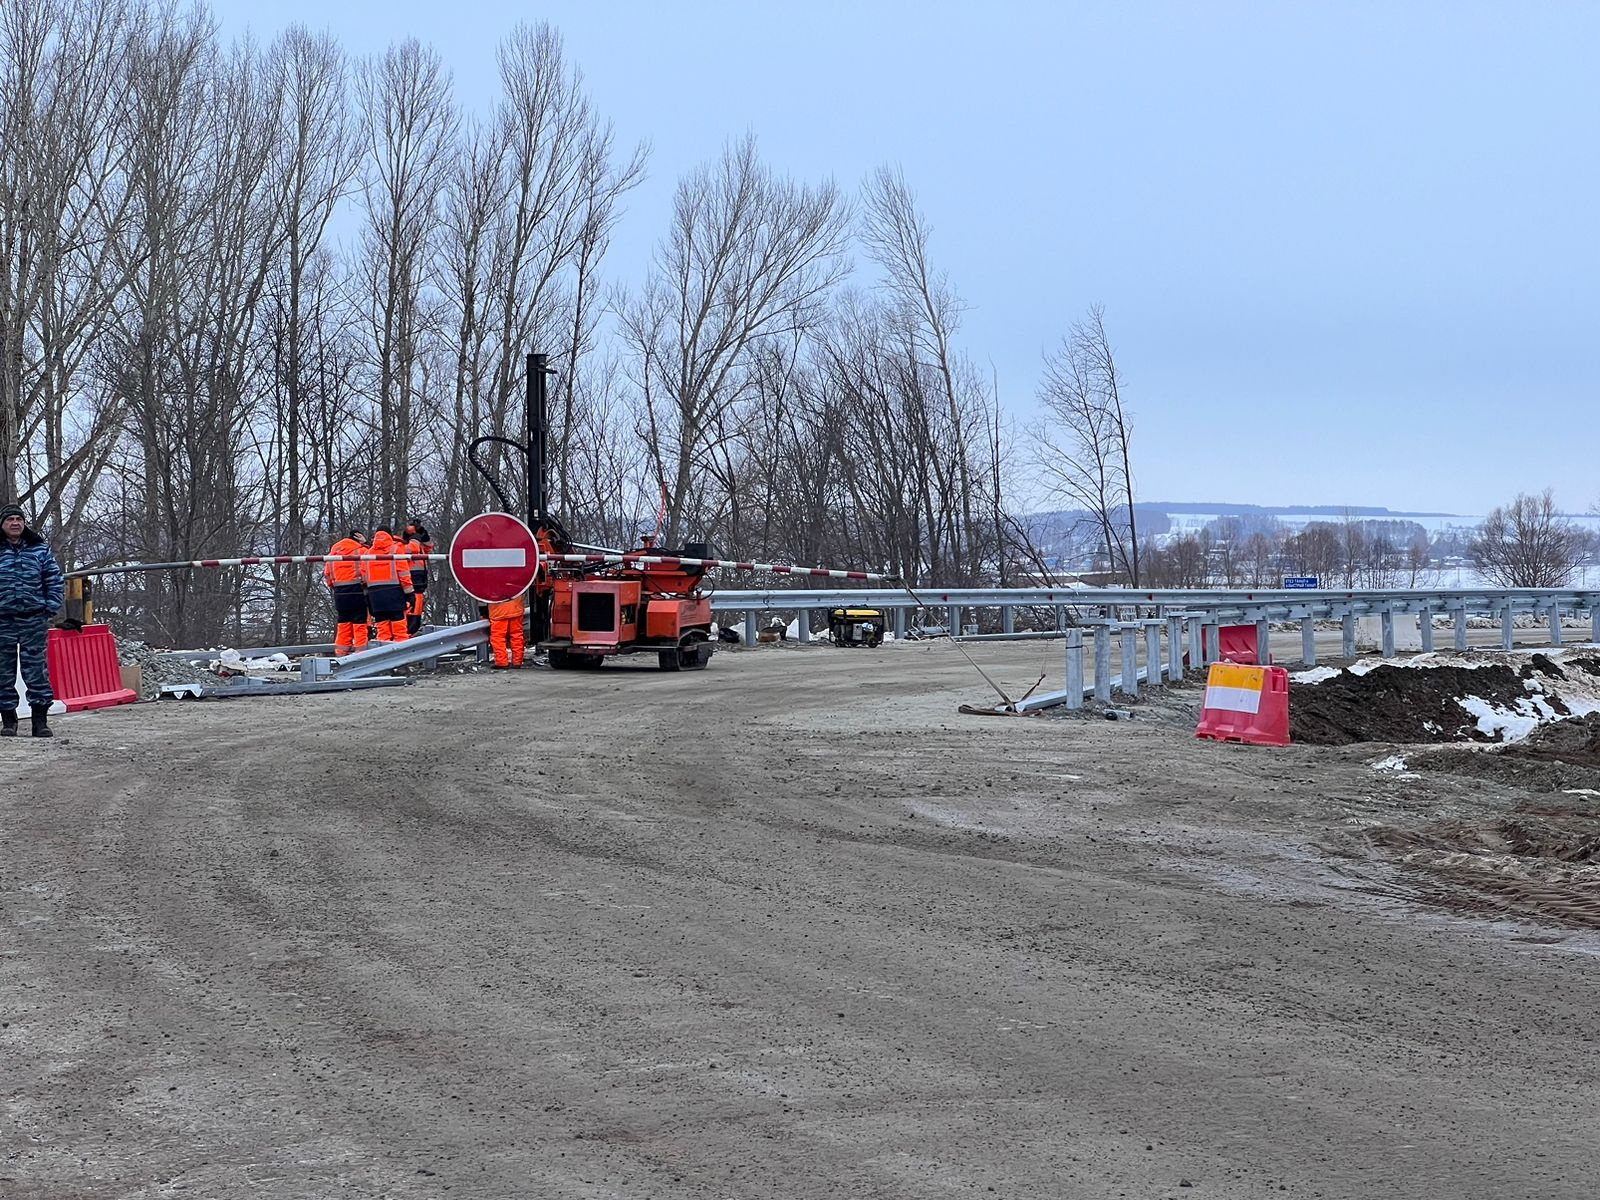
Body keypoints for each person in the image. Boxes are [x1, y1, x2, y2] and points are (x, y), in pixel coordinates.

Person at [0, 503, 66, 738]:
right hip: (3, 621)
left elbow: (54, 579)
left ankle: (40, 722)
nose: (15, 523)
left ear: (24, 523)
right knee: (3, 672)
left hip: (33, 620)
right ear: (3, 524)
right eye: (10, 520)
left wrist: (50, 607)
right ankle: (9, 721)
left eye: (19, 519)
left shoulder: (39, 549)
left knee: (36, 670)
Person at [323, 528, 369, 656]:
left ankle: (340, 652)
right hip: (357, 590)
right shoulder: (362, 551)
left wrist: (335, 586)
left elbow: (327, 575)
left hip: (339, 592)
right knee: (359, 623)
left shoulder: (333, 554)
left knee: (343, 623)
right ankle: (362, 654)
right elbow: (367, 572)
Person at [363, 525, 411, 642]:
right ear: (390, 536)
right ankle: (402, 657)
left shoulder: (368, 553)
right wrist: (410, 593)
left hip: (375, 596)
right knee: (399, 631)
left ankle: (383, 657)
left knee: (382, 631)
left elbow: (364, 577)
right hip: (394, 594)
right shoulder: (396, 550)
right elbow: (404, 574)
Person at [402, 519, 433, 635]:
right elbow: (412, 549)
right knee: (410, 617)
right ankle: (407, 636)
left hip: (419, 585)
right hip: (411, 585)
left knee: (415, 618)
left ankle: (409, 634)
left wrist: (424, 536)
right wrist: (415, 537)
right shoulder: (402, 546)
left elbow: (429, 547)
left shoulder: (418, 545)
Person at [488, 588, 527, 669]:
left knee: (498, 637)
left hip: (498, 611)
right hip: (516, 608)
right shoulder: (514, 577)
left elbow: (482, 597)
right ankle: (517, 661)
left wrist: (483, 613)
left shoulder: (489, 580)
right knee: (517, 635)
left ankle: (501, 662)